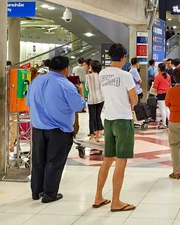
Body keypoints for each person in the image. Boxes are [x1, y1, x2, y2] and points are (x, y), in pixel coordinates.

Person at [27, 56, 86, 203]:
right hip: (59, 130)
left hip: (38, 128)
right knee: (54, 162)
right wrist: (81, 92)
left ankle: (36, 191)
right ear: (66, 69)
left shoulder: (36, 81)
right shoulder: (65, 85)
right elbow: (79, 106)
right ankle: (50, 193)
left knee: (38, 161)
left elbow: (28, 102)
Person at [93, 44, 138, 212]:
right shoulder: (125, 75)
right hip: (123, 121)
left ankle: (98, 196)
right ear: (124, 57)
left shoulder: (102, 74)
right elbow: (134, 101)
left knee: (107, 160)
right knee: (121, 162)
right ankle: (116, 201)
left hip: (109, 120)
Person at [86, 60, 104, 145]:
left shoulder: (88, 76)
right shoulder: (101, 76)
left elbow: (87, 88)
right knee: (98, 117)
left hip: (91, 99)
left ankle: (92, 136)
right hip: (100, 98)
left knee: (92, 118)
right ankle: (97, 136)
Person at [153, 63, 172, 129]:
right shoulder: (168, 76)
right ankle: (169, 123)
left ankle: (164, 124)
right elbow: (169, 84)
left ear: (159, 68)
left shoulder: (158, 77)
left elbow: (155, 86)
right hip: (167, 93)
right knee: (167, 109)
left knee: (162, 110)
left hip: (161, 94)